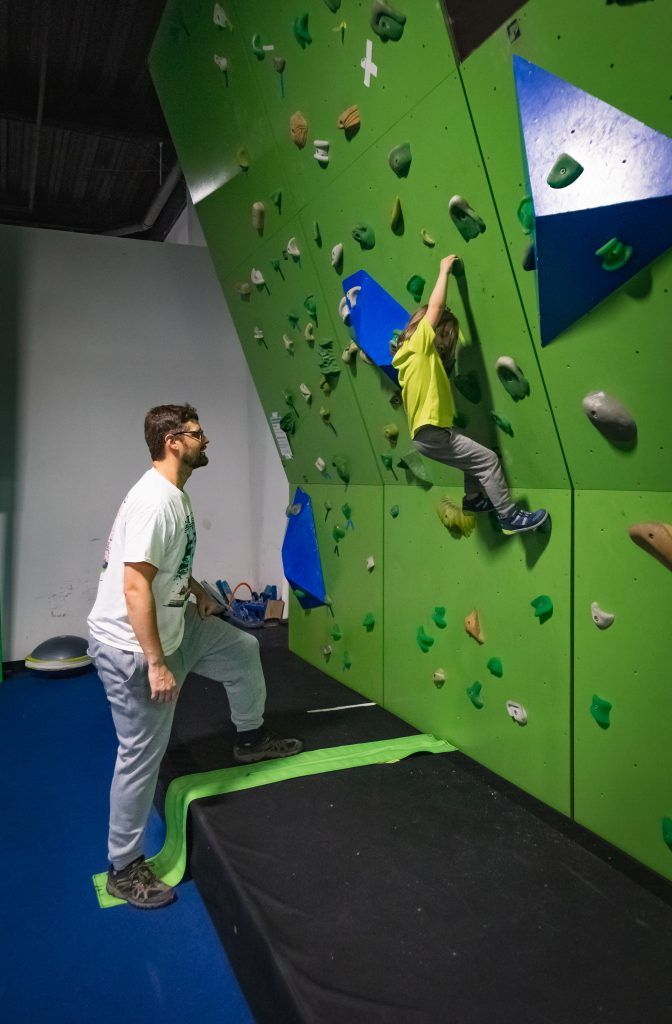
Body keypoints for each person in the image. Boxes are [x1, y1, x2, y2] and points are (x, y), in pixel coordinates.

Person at [88, 403, 302, 910]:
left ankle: (249, 739)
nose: (205, 440)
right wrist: (157, 663)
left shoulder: (175, 495)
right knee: (141, 755)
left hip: (175, 626)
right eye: (196, 433)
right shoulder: (155, 502)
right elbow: (135, 584)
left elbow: (166, 566)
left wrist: (198, 589)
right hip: (133, 647)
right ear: (172, 442)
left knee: (243, 649)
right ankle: (124, 867)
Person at [391, 256, 548, 535]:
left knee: (469, 453)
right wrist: (443, 271)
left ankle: (474, 498)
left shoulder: (408, 358)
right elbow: (437, 307)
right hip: (432, 433)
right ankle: (509, 517)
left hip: (424, 436)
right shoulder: (419, 345)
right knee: (487, 460)